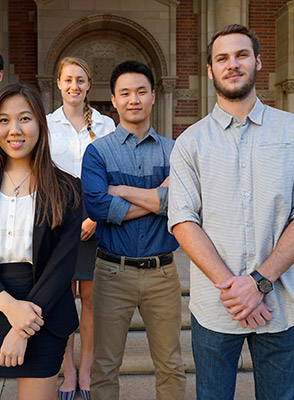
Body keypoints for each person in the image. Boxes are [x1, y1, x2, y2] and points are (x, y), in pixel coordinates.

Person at [168, 24, 294, 400]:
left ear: (257, 61)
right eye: (221, 58)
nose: (232, 64)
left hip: (279, 304)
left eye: (241, 55)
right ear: (210, 70)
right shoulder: (190, 143)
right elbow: (183, 220)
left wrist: (258, 283)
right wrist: (235, 289)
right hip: (216, 307)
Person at [0, 83, 83, 400]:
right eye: (4, 120)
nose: (14, 130)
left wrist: (23, 327)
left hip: (43, 310)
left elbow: (62, 269)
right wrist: (10, 309)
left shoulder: (67, 189)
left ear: (40, 124)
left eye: (25, 118)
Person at [81, 60, 186, 400]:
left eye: (141, 91)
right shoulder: (97, 152)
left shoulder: (175, 151)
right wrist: (159, 197)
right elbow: (97, 207)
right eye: (125, 93)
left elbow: (182, 205)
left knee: (170, 364)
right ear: (113, 100)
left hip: (162, 274)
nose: (133, 99)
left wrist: (121, 190)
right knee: (105, 366)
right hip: (112, 272)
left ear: (154, 96)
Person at [46, 56, 115, 400]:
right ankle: (67, 371)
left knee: (89, 298)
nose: (74, 86)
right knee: (61, 297)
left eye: (81, 80)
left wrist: (94, 217)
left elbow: (112, 176)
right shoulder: (44, 124)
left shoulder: (105, 126)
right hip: (56, 219)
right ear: (58, 83)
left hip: (94, 218)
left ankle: (86, 370)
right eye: (68, 79)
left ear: (89, 85)